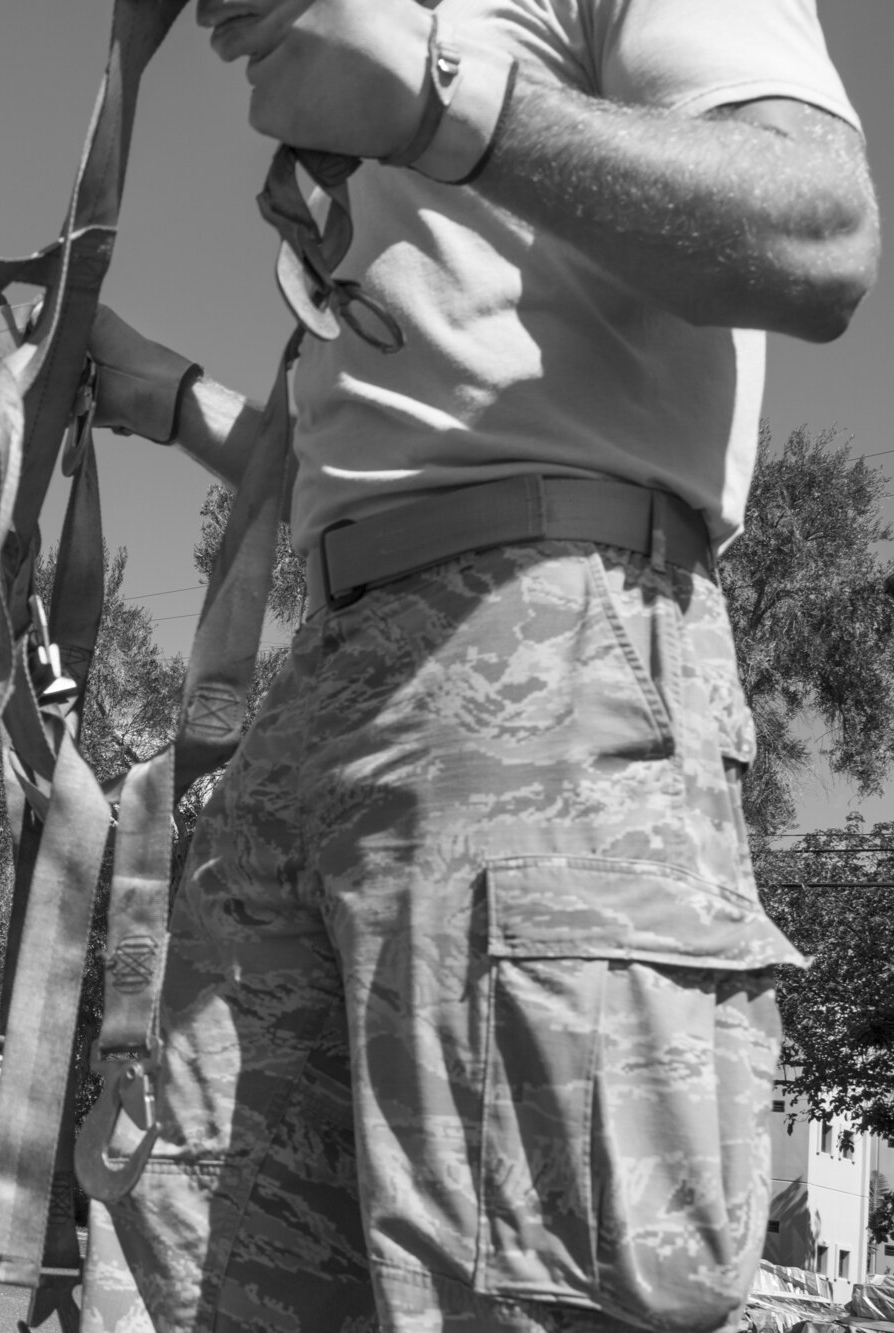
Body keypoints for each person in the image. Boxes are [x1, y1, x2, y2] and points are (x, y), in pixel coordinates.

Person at [80, 2, 880, 1331]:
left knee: (534, 1293)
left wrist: (447, 102)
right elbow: (403, 452)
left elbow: (821, 229)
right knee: (235, 1276)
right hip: (329, 682)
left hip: (555, 650)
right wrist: (166, 397)